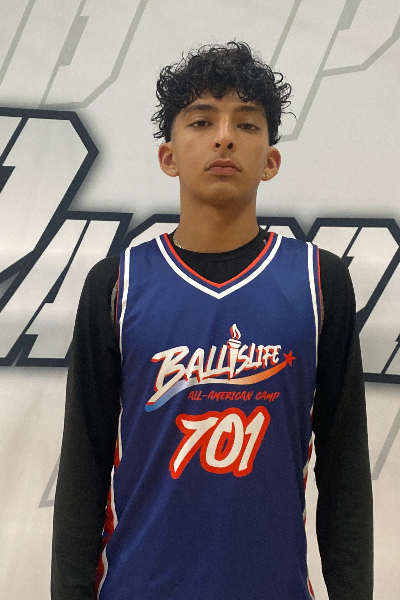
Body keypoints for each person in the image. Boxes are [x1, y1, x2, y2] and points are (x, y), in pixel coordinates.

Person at [51, 41, 373, 599]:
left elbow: (344, 475)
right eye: (202, 121)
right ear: (168, 156)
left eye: (246, 124)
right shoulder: (117, 285)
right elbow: (83, 470)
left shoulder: (319, 282)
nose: (224, 137)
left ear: (270, 160)